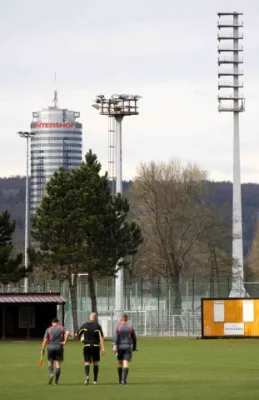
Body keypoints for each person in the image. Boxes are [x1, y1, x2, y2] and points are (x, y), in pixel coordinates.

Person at [77, 312, 105, 385]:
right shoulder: (97, 326)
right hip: (96, 346)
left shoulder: (84, 325)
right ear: (95, 318)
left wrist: (81, 339)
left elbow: (77, 334)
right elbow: (101, 337)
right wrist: (103, 348)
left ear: (90, 317)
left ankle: (87, 376)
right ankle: (95, 380)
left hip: (87, 346)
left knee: (87, 362)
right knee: (95, 363)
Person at [41, 317, 70, 385]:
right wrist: (65, 341)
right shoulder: (61, 328)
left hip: (51, 346)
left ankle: (51, 374)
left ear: (52, 323)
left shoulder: (48, 329)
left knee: (50, 363)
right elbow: (68, 333)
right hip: (59, 347)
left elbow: (45, 340)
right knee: (58, 365)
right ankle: (56, 381)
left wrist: (42, 349)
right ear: (58, 322)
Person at [113, 313, 137, 385]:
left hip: (120, 347)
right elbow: (134, 338)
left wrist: (114, 346)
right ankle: (124, 380)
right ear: (126, 320)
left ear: (121, 319)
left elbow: (115, 338)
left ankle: (120, 380)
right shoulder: (130, 327)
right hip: (128, 347)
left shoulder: (118, 327)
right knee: (126, 363)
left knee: (120, 363)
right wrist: (134, 347)